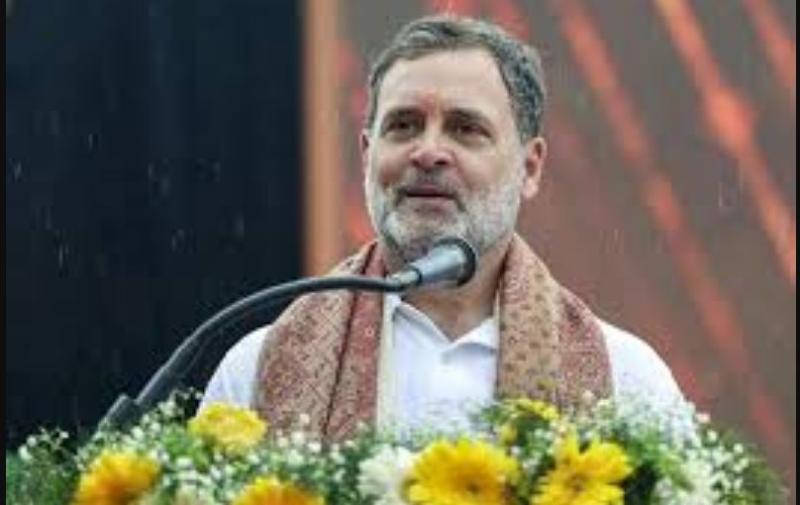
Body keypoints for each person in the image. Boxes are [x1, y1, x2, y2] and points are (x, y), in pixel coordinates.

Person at [202, 15, 683, 440]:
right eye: (404, 126)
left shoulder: (629, 382)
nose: (428, 152)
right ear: (367, 155)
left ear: (530, 167)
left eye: (465, 128)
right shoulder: (257, 370)